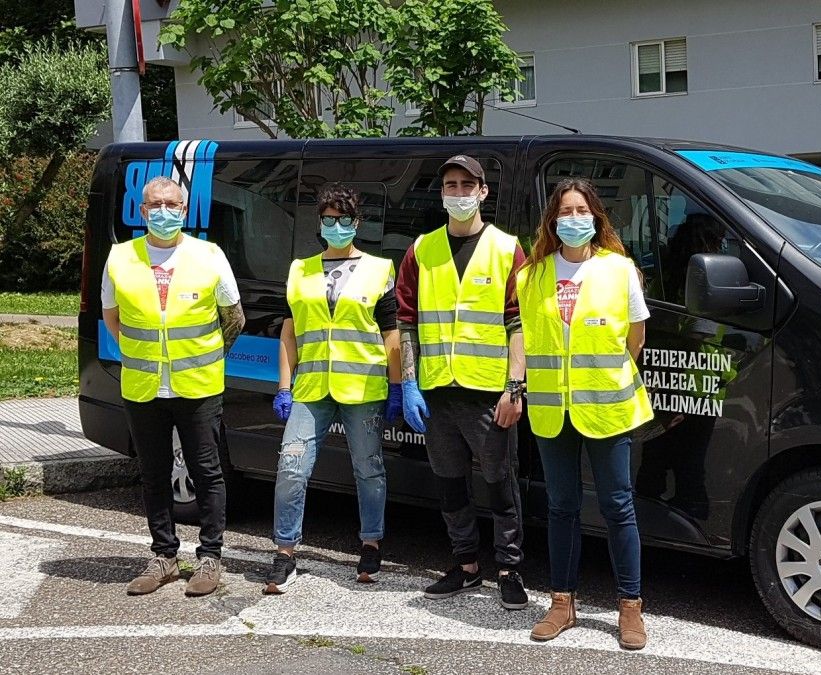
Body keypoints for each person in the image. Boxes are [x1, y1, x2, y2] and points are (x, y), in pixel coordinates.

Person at [517, 178, 654, 650]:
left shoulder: (620, 270)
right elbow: (526, 338)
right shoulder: (531, 275)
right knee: (561, 506)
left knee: (618, 506)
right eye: (564, 211)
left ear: (596, 217)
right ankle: (562, 603)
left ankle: (630, 609)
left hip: (607, 408)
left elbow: (636, 338)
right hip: (553, 410)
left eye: (581, 210)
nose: (573, 218)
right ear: (553, 221)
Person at [102, 176, 245, 597]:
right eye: (155, 205)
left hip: (198, 385)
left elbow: (233, 318)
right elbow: (113, 317)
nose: (164, 211)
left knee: (207, 472)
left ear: (185, 211)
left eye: (172, 204)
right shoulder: (119, 258)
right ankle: (164, 555)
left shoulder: (209, 255)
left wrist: (208, 355)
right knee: (153, 473)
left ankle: (210, 557)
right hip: (144, 385)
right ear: (142, 212)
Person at [396, 155, 529, 610]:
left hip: (488, 394)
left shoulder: (507, 249)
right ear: (442, 194)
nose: (457, 193)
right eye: (450, 185)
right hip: (436, 392)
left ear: (483, 192)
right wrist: (409, 382)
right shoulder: (422, 249)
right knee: (450, 484)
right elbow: (407, 322)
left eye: (466, 185)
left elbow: (519, 324)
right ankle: (466, 565)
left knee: (499, 484)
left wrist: (515, 388)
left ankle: (510, 569)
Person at [264, 184, 402, 593]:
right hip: (310, 388)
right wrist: (284, 387)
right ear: (319, 223)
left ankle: (371, 544)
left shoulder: (380, 269)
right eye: (329, 219)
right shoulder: (299, 270)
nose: (336, 226)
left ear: (356, 223)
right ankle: (285, 553)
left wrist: (397, 386)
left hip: (364, 387)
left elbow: (391, 334)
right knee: (291, 467)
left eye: (344, 219)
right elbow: (289, 334)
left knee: (368, 468)